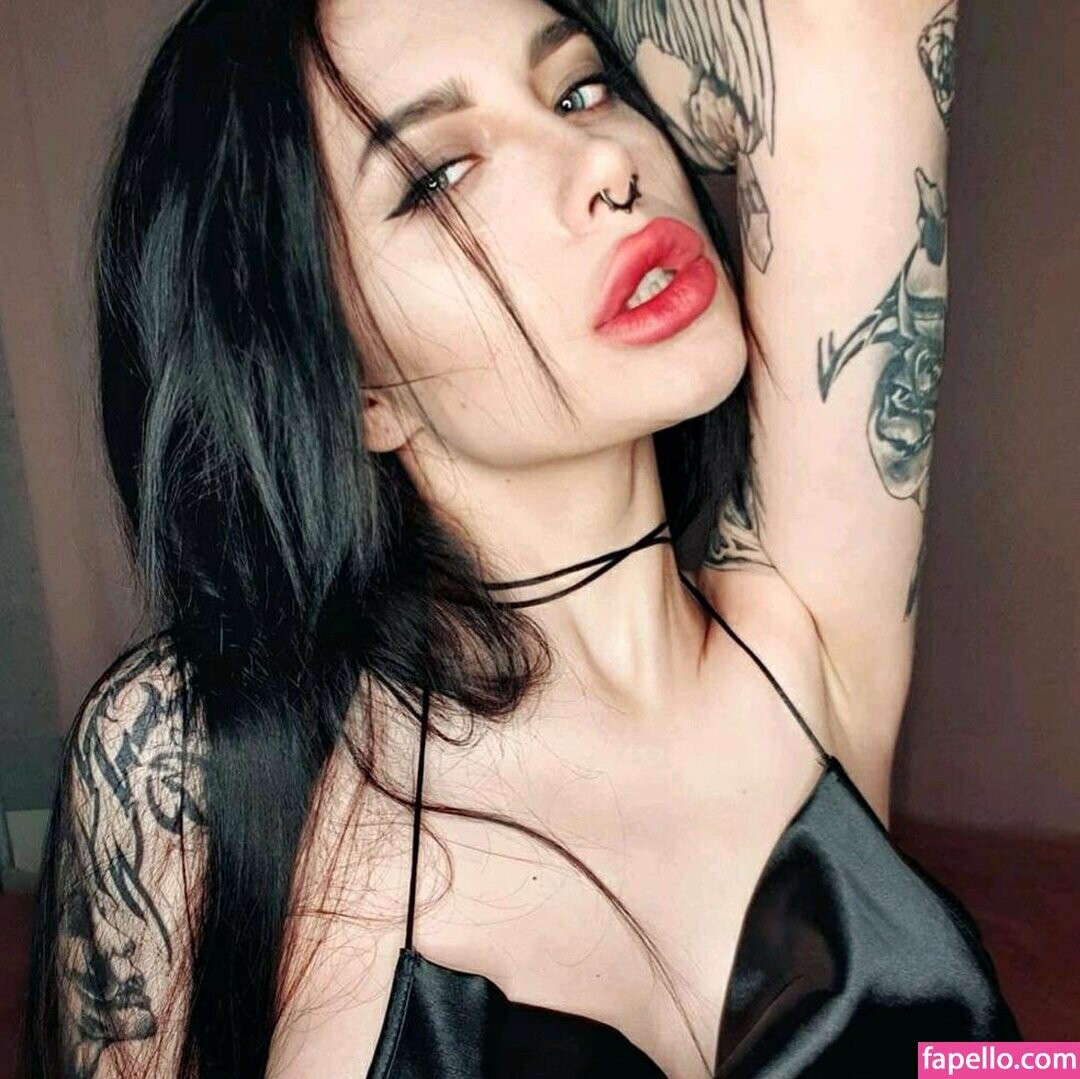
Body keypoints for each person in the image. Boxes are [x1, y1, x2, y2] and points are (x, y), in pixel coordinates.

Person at [23, 0, 1019, 1076]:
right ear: (349, 384)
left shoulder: (802, 635)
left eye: (583, 89)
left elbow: (841, 25)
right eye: (440, 176)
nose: (606, 162)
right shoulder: (189, 761)